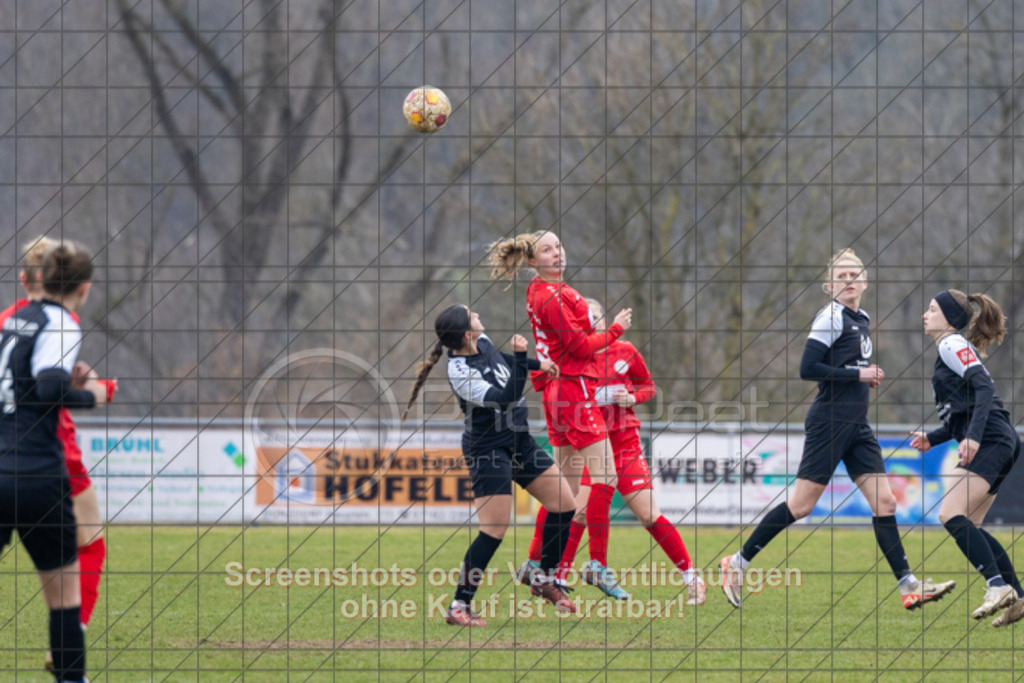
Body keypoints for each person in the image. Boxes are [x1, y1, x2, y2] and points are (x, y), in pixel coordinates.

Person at [718, 248, 955, 610]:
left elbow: (844, 364)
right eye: (841, 276)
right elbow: (808, 368)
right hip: (829, 421)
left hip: (856, 425)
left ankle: (909, 587)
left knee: (886, 503)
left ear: (864, 281)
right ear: (829, 285)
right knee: (800, 506)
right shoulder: (830, 316)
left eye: (854, 275)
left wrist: (862, 376)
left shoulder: (861, 317)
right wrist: (858, 374)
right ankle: (737, 563)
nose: (848, 281)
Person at [403, 304, 577, 626]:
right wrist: (525, 359)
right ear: (467, 334)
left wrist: (538, 363)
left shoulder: (480, 342)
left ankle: (542, 576)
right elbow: (506, 396)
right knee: (494, 529)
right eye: (472, 313)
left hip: (519, 440)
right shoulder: (460, 372)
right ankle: (459, 606)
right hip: (488, 448)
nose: (478, 312)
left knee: (565, 505)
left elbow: (502, 364)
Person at [525, 298, 706, 604]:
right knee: (577, 511)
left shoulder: (624, 350)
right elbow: (542, 382)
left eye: (595, 317)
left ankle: (692, 578)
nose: (591, 322)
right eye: (585, 318)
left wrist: (631, 397)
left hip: (624, 443)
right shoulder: (570, 357)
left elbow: (649, 387)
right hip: (591, 446)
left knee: (648, 513)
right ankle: (556, 575)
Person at [488, 231, 633, 599]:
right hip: (573, 390)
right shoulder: (549, 294)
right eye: (547, 250)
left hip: (557, 392)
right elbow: (581, 347)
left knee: (565, 488)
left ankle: (536, 564)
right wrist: (615, 329)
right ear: (533, 261)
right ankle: (597, 564)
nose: (557, 253)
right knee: (607, 477)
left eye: (558, 246)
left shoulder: (543, 290)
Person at [0, 237, 116, 674]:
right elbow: (50, 390)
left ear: (29, 277)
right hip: (42, 463)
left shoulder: (11, 321)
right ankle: (70, 655)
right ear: (83, 287)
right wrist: (93, 395)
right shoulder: (60, 322)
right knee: (71, 585)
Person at [910, 290, 1023, 626]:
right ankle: (1017, 597)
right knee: (970, 524)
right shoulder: (951, 348)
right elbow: (966, 408)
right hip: (999, 439)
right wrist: (935, 437)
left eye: (931, 309)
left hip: (990, 439)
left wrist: (972, 436)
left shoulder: (950, 344)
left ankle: (996, 586)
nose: (924, 315)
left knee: (950, 514)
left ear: (949, 318)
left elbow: (985, 391)